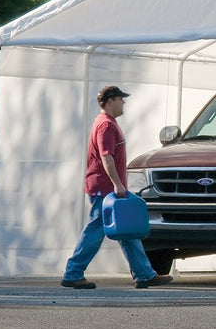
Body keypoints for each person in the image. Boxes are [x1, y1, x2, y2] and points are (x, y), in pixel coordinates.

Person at [61, 85, 173, 290]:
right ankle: (73, 272)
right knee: (95, 231)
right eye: (121, 99)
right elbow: (106, 157)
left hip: (109, 188)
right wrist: (117, 184)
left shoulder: (108, 123)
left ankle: (144, 274)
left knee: (127, 231)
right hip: (105, 189)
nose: (124, 103)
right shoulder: (105, 125)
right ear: (111, 100)